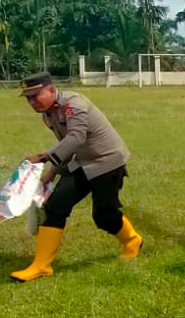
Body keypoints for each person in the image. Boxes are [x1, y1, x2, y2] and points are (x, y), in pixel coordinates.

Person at [9, 72, 141, 281]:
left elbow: (76, 137)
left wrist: (43, 157)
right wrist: (50, 174)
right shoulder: (48, 115)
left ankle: (133, 241)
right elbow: (66, 146)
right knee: (55, 207)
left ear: (51, 90)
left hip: (107, 161)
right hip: (82, 162)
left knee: (104, 215)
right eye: (28, 98)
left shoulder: (74, 104)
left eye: (36, 96)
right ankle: (41, 266)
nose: (32, 102)